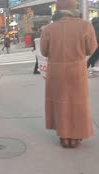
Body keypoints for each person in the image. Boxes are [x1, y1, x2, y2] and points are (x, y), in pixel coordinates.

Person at [40, 0, 97, 148]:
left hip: (56, 72)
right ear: (75, 7)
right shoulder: (85, 26)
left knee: (61, 103)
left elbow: (44, 52)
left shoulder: (48, 29)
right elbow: (91, 49)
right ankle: (76, 136)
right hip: (77, 70)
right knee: (77, 103)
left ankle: (64, 136)